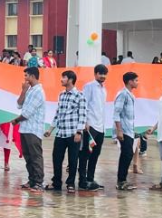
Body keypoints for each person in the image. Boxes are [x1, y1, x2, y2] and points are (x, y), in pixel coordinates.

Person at [49, 69, 84, 193]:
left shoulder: (79, 95)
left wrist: (79, 132)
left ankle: (70, 183)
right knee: (56, 158)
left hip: (73, 133)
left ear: (70, 80)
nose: (61, 80)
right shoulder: (61, 95)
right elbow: (58, 113)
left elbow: (83, 115)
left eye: (63, 77)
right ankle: (56, 182)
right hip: (61, 133)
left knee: (73, 159)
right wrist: (50, 129)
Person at [15, 66, 47, 192]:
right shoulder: (29, 90)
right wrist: (23, 91)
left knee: (35, 156)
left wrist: (16, 120)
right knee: (28, 156)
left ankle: (38, 181)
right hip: (24, 129)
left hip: (33, 129)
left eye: (26, 76)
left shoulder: (39, 91)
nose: (25, 78)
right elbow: (19, 104)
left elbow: (27, 113)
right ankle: (32, 179)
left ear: (33, 76)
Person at [78, 63, 108, 191]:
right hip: (90, 126)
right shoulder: (89, 87)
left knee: (96, 153)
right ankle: (82, 180)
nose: (102, 76)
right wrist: (84, 122)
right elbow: (83, 105)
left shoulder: (103, 89)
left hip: (100, 126)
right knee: (85, 153)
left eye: (104, 74)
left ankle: (91, 179)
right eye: (100, 73)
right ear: (95, 74)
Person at [112, 71, 139, 192]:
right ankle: (121, 181)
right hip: (124, 130)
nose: (137, 83)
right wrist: (119, 130)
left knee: (127, 154)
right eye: (136, 80)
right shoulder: (123, 94)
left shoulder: (130, 95)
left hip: (129, 129)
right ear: (130, 81)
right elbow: (116, 113)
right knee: (126, 154)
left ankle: (122, 180)